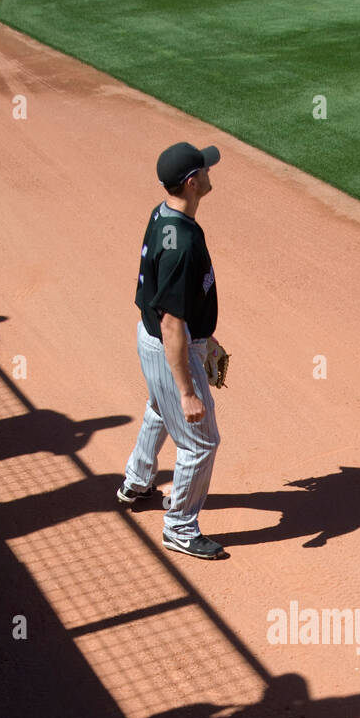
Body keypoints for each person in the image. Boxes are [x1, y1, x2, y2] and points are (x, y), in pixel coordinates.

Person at [118, 142, 227, 559]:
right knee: (201, 441)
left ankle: (137, 480)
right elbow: (172, 321)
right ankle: (180, 527)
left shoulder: (163, 214)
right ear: (192, 182)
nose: (209, 173)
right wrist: (187, 389)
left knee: (159, 409)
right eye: (204, 169)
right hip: (168, 344)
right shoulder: (181, 245)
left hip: (153, 340)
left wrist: (203, 338)